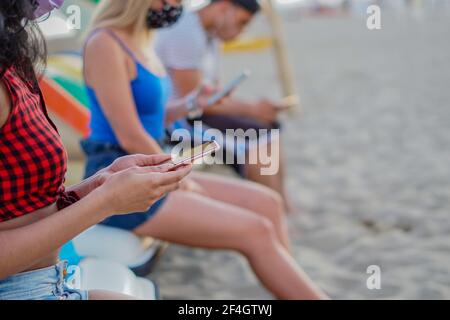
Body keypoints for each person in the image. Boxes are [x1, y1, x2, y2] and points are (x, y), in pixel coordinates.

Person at [82, 0, 327, 299]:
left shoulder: (141, 40)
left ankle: (290, 285)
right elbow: (130, 135)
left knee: (269, 204)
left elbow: (152, 117)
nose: (176, 6)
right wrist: (181, 178)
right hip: (122, 178)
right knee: (256, 229)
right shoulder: (104, 43)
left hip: (152, 167)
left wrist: (194, 104)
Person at [0, 0, 192, 300]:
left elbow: (22, 206)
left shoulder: (13, 66)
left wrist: (97, 185)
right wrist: (105, 202)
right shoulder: (106, 43)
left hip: (53, 279)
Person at [154, 0, 290, 208]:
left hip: (195, 115)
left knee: (271, 127)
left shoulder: (209, 35)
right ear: (224, 8)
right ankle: (269, 205)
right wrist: (252, 109)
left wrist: (254, 110)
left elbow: (212, 97)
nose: (241, 31)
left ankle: (279, 203)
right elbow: (196, 103)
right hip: (175, 122)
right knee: (259, 139)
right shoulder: (186, 32)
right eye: (242, 23)